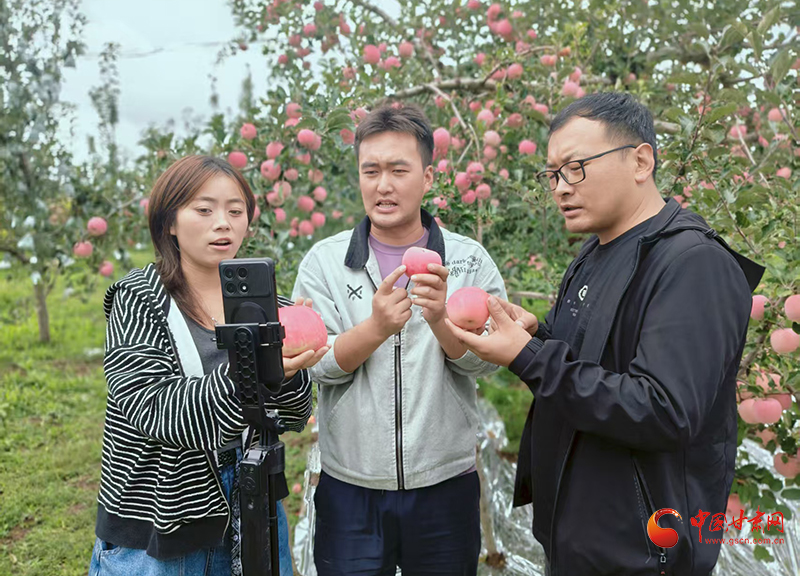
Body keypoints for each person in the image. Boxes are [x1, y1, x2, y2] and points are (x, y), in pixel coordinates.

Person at [446, 93, 764, 576]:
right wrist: (536, 335)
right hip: (577, 537)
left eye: (575, 168)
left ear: (640, 161)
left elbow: (664, 410)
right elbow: (592, 362)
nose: (560, 188)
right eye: (552, 174)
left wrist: (529, 356)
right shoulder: (594, 254)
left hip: (641, 552)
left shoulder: (693, 265)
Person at [292, 104, 507, 575]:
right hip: (350, 486)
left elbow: (488, 360)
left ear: (427, 177)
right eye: (370, 171)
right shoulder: (325, 263)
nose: (383, 185)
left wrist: (440, 321)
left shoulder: (468, 261)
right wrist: (374, 329)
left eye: (398, 170)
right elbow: (315, 363)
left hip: (444, 485)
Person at [88, 155, 327, 576]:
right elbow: (158, 411)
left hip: (255, 510)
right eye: (204, 210)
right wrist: (251, 369)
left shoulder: (269, 304)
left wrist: (286, 372)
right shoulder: (139, 299)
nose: (223, 224)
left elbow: (292, 416)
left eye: (236, 211)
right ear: (170, 222)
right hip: (163, 521)